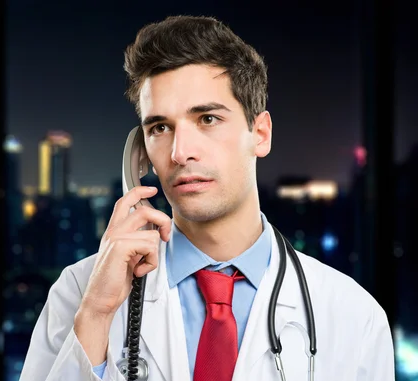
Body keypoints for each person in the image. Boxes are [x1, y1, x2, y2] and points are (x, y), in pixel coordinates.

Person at [19, 15, 395, 381]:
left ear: (260, 134)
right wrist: (98, 315)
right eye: (160, 127)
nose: (180, 152)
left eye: (208, 119)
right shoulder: (82, 291)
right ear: (140, 151)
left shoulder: (354, 315)